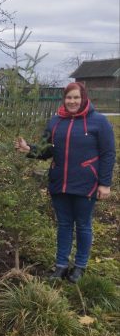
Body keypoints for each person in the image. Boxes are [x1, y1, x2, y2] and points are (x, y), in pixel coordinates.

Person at [15, 82, 115, 283]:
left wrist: (104, 183)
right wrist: (29, 149)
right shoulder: (56, 122)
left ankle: (79, 266)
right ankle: (61, 265)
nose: (72, 101)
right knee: (64, 225)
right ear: (64, 99)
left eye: (76, 97)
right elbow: (47, 150)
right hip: (60, 183)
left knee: (83, 225)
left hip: (86, 183)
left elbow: (108, 153)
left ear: (83, 98)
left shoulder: (98, 122)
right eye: (69, 98)